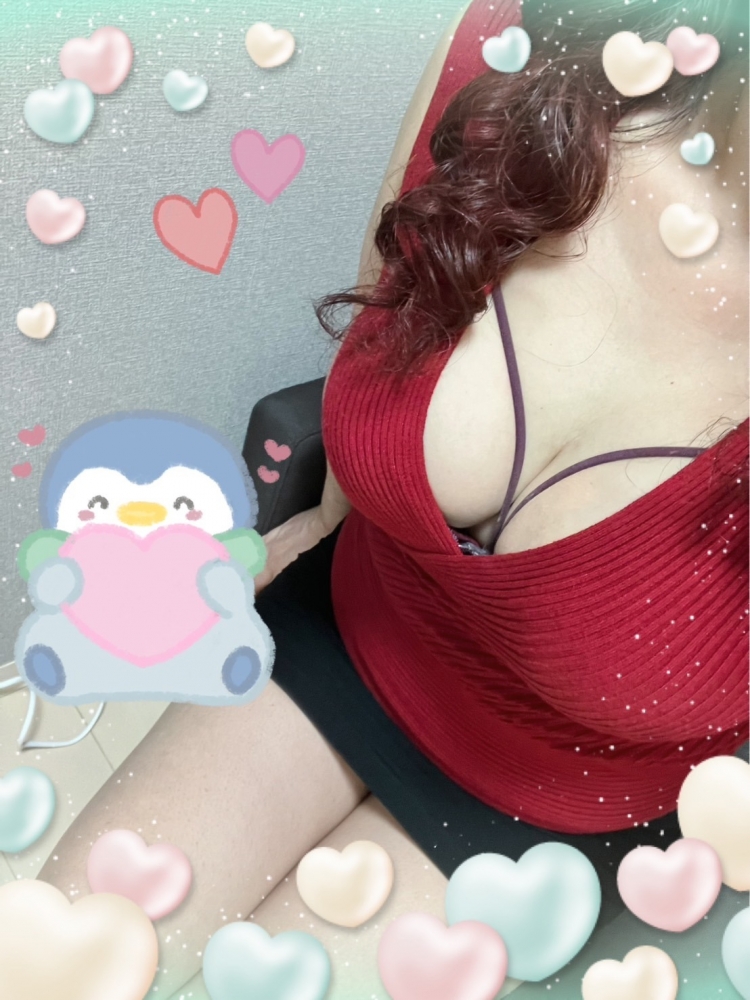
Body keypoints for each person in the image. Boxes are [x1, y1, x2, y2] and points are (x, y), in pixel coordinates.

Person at [38, 1, 748, 996]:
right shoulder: (522, 48)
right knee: (53, 965)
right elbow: (392, 295)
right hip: (352, 627)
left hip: (548, 805)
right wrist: (329, 515)